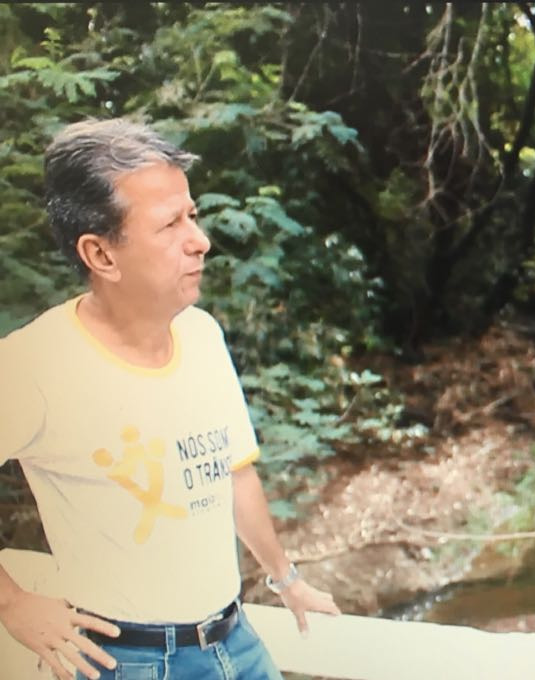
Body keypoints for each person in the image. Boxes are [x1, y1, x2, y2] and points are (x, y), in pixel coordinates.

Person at [0, 118, 341, 680]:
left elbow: (235, 476)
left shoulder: (201, 333)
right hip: (124, 660)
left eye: (193, 215)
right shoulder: (36, 366)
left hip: (236, 644)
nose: (199, 241)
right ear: (101, 255)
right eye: (169, 225)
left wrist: (287, 580)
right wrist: (14, 606)